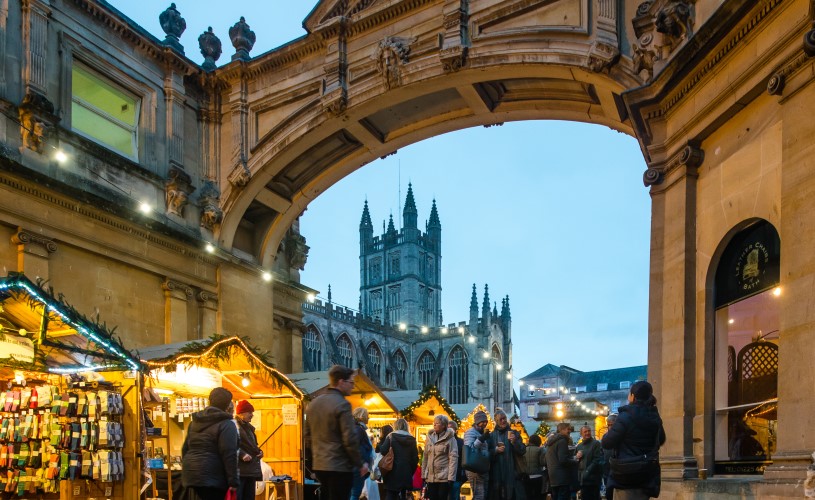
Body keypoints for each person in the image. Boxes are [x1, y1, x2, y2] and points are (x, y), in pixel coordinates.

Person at [304, 365, 366, 500]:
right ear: (341, 382)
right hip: (339, 466)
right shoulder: (342, 404)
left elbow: (307, 437)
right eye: (351, 382)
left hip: (320, 465)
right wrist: (359, 463)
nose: (353, 386)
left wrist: (315, 458)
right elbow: (349, 439)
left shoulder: (314, 403)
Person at [601, 381, 666, 500]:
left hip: (626, 474)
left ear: (633, 396)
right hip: (646, 473)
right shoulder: (654, 416)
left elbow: (606, 443)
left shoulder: (625, 416)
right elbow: (661, 439)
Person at [181, 387, 239, 500]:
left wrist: (190, 467)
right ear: (228, 405)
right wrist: (233, 481)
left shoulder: (194, 422)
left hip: (191, 474)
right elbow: (228, 453)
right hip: (213, 475)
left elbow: (185, 449)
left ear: (210, 400)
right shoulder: (226, 424)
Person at [486, 409, 525, 500]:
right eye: (500, 419)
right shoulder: (491, 436)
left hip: (512, 471)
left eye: (504, 418)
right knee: (497, 494)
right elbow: (486, 453)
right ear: (496, 421)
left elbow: (523, 450)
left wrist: (515, 442)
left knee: (511, 495)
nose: (503, 421)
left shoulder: (514, 433)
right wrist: (495, 450)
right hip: (496, 472)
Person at [379, 418, 419, 500]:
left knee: (390, 494)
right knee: (403, 495)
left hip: (392, 471)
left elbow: (383, 451)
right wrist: (410, 471)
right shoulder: (412, 439)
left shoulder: (391, 436)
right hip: (406, 472)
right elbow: (415, 459)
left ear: (395, 426)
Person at [422, 414, 458, 500]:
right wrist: (423, 474)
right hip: (431, 477)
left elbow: (453, 458)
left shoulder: (451, 439)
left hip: (444, 477)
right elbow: (425, 457)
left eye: (437, 423)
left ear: (444, 425)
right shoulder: (429, 438)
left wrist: (451, 477)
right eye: (434, 423)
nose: (434, 425)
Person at [235, 400, 264, 500]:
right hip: (241, 471)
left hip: (250, 470)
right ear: (241, 413)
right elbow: (229, 445)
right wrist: (242, 454)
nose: (252, 415)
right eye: (250, 412)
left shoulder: (248, 428)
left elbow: (252, 446)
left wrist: (260, 451)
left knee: (249, 497)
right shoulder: (235, 427)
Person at [463, 411, 491, 500]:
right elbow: (470, 448)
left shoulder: (481, 433)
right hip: (474, 469)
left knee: (483, 495)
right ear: (477, 422)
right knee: (479, 495)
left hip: (482, 468)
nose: (484, 424)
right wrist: (482, 439)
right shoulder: (470, 432)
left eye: (486, 422)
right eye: (482, 422)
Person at [545, 423, 576, 500]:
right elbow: (563, 460)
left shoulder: (551, 442)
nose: (570, 431)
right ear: (561, 430)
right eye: (568, 429)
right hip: (562, 477)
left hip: (553, 477)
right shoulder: (562, 441)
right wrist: (575, 460)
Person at [351, 407, 374, 500]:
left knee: (354, 493)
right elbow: (355, 446)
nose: (368, 418)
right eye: (367, 416)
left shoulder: (355, 428)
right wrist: (362, 463)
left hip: (356, 466)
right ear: (362, 417)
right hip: (357, 467)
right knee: (355, 494)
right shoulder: (358, 429)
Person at [574, 426, 603, 500]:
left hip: (593, 478)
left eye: (589, 431)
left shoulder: (596, 443)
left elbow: (597, 459)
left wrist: (587, 471)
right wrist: (576, 457)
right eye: (585, 432)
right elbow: (575, 460)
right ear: (581, 433)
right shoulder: (579, 446)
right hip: (583, 479)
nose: (588, 433)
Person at [522, 434, 546, 500]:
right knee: (538, 496)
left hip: (526, 476)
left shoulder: (524, 449)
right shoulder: (540, 450)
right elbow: (542, 462)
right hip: (537, 476)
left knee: (528, 496)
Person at [448, 420, 467, 500]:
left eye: (451, 428)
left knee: (455, 495)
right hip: (444, 475)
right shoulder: (443, 441)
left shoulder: (461, 442)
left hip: (457, 475)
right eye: (448, 428)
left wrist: (463, 473)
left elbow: (464, 459)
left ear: (456, 430)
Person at [601, 414, 618, 500]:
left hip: (619, 470)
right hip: (607, 471)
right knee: (609, 494)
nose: (610, 427)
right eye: (609, 425)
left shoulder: (622, 436)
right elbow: (602, 453)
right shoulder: (605, 437)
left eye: (612, 425)